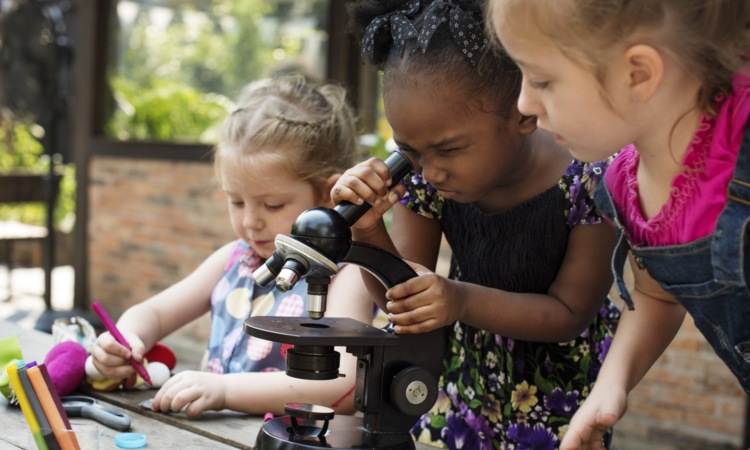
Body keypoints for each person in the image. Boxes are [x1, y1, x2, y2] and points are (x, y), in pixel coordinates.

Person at [333, 1, 621, 448]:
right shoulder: (426, 177)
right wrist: (369, 232)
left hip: (558, 407)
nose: (429, 171)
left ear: (523, 113)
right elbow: (403, 299)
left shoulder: (591, 180)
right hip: (456, 392)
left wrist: (459, 299)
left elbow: (569, 314)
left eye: (448, 150)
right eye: (410, 150)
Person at [488, 1, 750, 449]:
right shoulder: (624, 186)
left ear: (639, 74)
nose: (524, 104)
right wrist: (612, 383)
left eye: (543, 80)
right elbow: (658, 294)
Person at [90, 74, 373, 417]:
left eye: (272, 205)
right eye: (236, 202)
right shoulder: (234, 258)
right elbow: (154, 312)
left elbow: (340, 383)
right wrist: (127, 340)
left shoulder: (346, 275)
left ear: (328, 195)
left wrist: (225, 390)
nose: (251, 221)